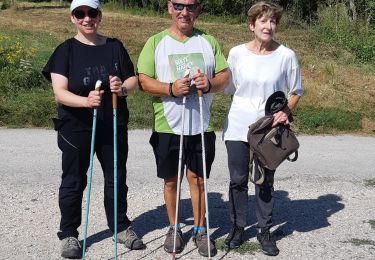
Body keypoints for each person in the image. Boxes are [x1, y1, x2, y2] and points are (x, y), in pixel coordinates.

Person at [42, 0, 144, 258]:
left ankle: (120, 227)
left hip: (112, 123)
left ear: (100, 15)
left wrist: (121, 87)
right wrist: (85, 101)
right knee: (74, 180)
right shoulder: (65, 51)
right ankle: (69, 234)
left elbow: (133, 80)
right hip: (76, 127)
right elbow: (59, 93)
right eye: (80, 14)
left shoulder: (114, 47)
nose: (87, 19)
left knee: (116, 177)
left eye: (92, 13)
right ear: (72, 18)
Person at [137, 0, 229, 257]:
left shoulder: (209, 41)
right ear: (169, 8)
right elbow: (143, 80)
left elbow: (225, 76)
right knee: (171, 180)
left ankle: (200, 230)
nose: (184, 12)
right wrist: (170, 89)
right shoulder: (155, 42)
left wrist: (209, 84)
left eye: (190, 6)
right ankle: (174, 226)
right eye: (178, 6)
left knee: (197, 180)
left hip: (201, 124)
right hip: (167, 124)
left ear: (199, 9)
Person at [223, 1, 304, 256]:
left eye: (273, 21)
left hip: (269, 130)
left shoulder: (286, 55)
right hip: (238, 125)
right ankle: (237, 227)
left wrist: (285, 111)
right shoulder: (236, 53)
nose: (269, 26)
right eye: (263, 21)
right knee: (237, 180)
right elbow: (228, 88)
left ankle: (264, 230)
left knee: (264, 181)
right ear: (251, 25)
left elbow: (296, 91)